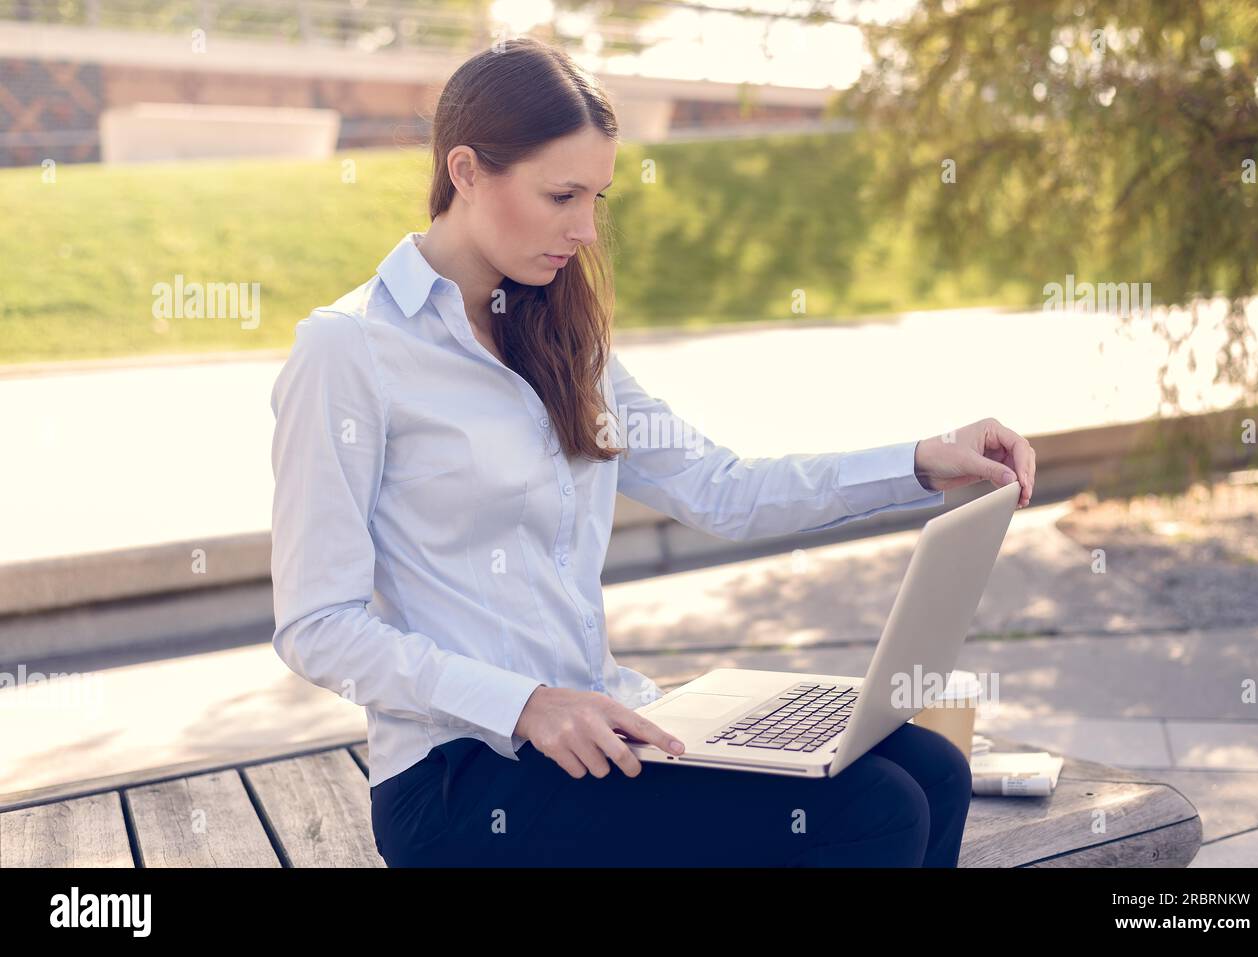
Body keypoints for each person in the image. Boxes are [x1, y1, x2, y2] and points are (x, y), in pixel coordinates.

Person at [268, 37, 1036, 868]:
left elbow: (720, 487)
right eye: (561, 195)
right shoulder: (350, 351)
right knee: (873, 812)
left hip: (603, 730)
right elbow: (317, 625)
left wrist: (922, 460)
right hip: (459, 780)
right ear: (465, 171)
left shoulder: (561, 335)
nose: (586, 229)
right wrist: (523, 703)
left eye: (596, 197)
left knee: (933, 768)